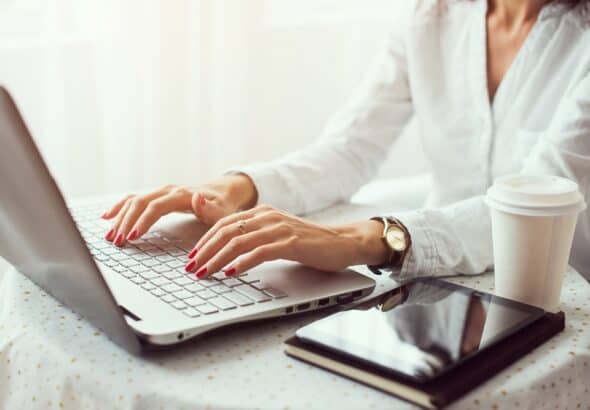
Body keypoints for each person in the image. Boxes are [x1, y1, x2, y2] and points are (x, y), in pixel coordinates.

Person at [101, 0, 590, 282]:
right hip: (439, 292)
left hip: (559, 295)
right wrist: (235, 188)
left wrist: (366, 239)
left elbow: (533, 209)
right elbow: (350, 148)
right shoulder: (433, 15)